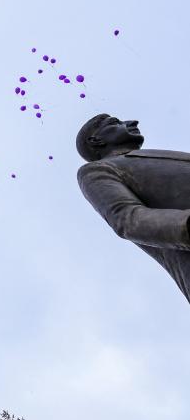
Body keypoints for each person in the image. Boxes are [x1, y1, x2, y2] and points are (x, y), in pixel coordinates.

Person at [77, 113, 190, 303]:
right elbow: (127, 218)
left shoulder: (156, 156)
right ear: (96, 140)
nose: (132, 122)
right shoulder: (97, 170)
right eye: (115, 123)